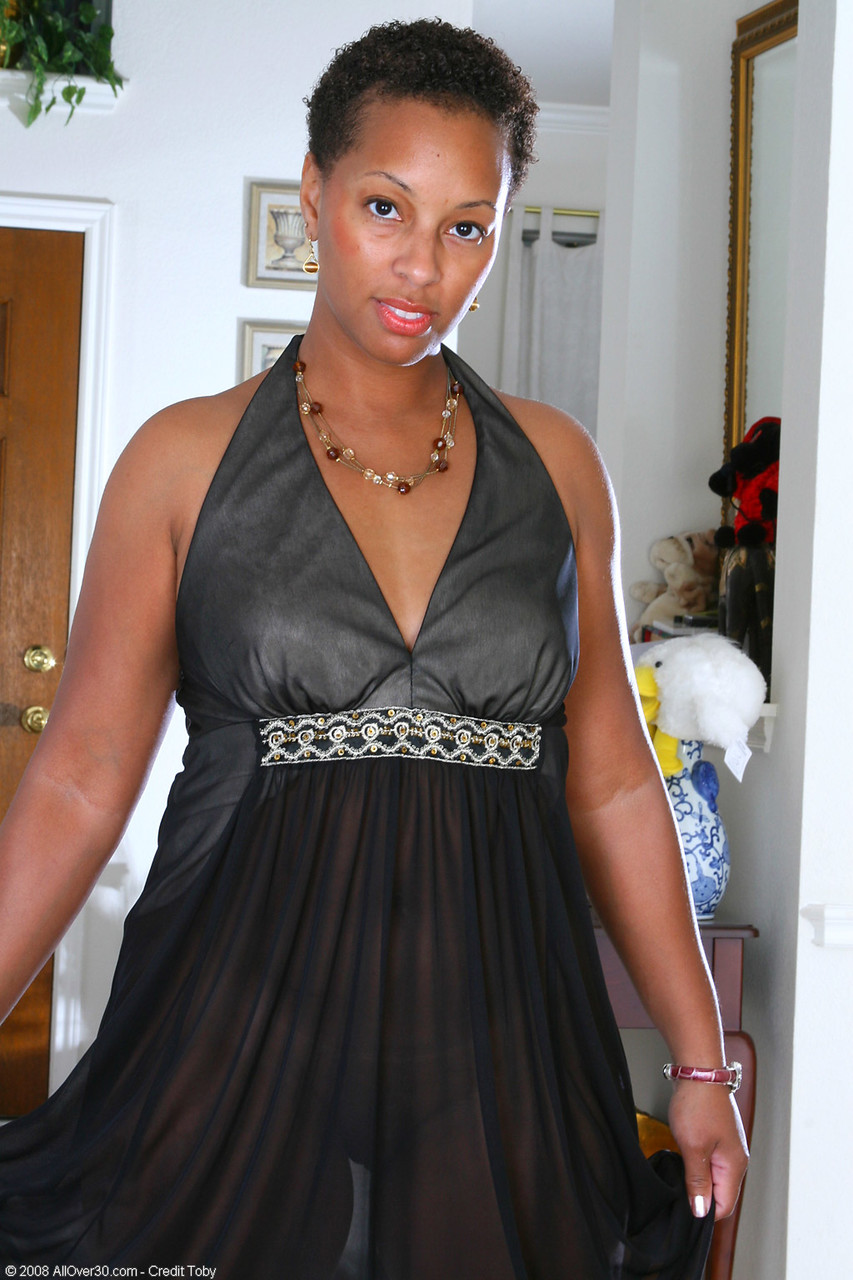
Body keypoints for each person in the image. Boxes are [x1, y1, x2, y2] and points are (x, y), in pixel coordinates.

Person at [0, 18, 748, 1276]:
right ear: (315, 193)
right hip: (229, 1021)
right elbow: (79, 778)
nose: (422, 264)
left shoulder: (558, 465)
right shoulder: (179, 460)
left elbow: (616, 780)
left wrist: (699, 1058)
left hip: (494, 1036)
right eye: (385, 206)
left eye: (468, 226)